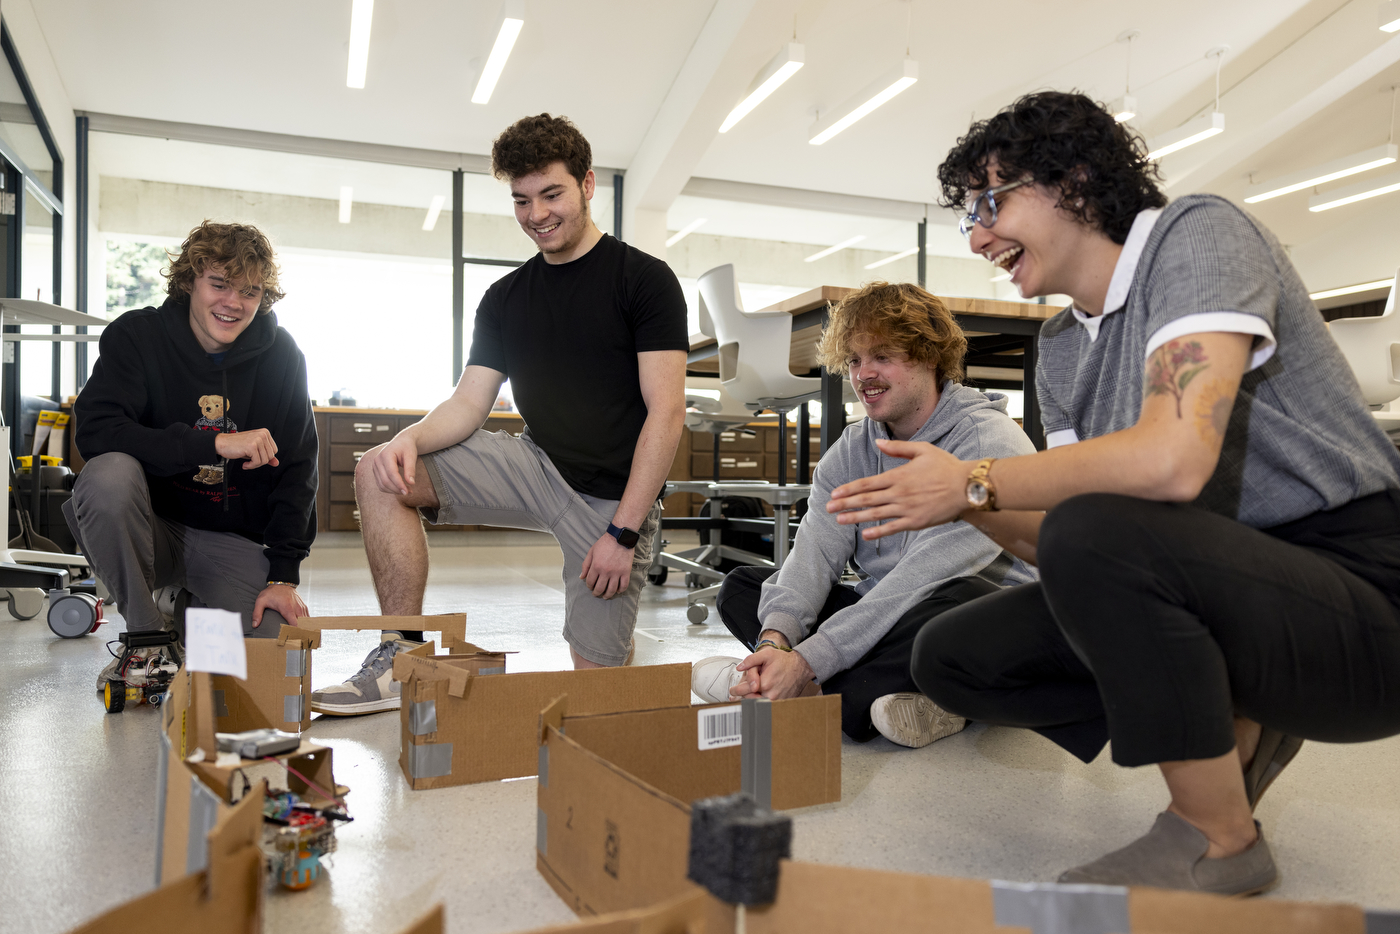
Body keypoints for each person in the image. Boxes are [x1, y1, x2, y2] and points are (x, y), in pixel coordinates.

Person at [825, 91, 1400, 894]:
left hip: (1361, 602)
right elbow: (1053, 538)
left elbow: (1171, 462)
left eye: (991, 202)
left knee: (1099, 530)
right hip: (1217, 582)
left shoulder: (1196, 236)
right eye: (968, 217)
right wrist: (967, 504)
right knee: (951, 657)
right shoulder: (1062, 348)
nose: (980, 234)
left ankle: (1216, 835)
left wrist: (974, 476)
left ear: (1077, 180)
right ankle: (1223, 722)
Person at [312, 113, 688, 716]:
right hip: (535, 465)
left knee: (599, 700)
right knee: (380, 470)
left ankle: (610, 650)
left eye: (551, 194)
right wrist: (407, 438)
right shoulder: (506, 297)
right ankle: (400, 656)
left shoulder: (644, 280)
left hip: (611, 504)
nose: (536, 214)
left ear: (588, 184)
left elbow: (666, 414)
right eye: (521, 199)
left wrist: (624, 532)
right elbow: (468, 403)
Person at [692, 281, 1038, 747]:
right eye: (854, 360)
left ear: (930, 357)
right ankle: (906, 699)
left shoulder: (985, 442)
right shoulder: (853, 448)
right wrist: (775, 641)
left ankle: (793, 689)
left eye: (883, 356)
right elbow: (814, 553)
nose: (863, 375)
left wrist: (808, 661)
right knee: (745, 588)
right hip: (888, 613)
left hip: (973, 620)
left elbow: (922, 580)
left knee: (961, 601)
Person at [69, 221, 316, 688]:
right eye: (219, 284)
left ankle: (183, 608)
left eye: (249, 291)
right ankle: (145, 639)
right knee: (108, 475)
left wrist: (284, 575)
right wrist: (215, 443)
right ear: (189, 282)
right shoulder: (138, 337)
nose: (233, 303)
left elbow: (300, 469)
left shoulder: (283, 356)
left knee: (271, 656)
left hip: (230, 539)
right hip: (151, 531)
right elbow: (98, 432)